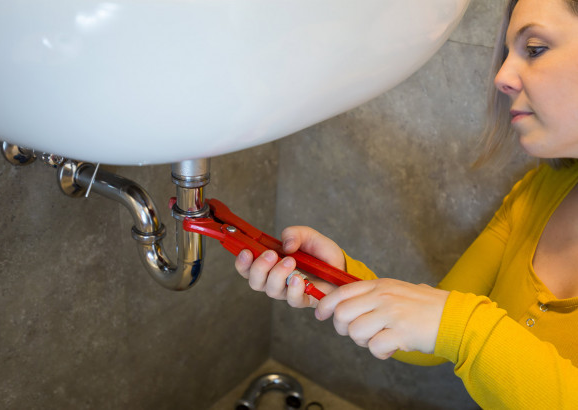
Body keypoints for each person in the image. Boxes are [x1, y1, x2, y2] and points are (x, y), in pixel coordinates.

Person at [234, 0, 578, 407]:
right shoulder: (538, 191)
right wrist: (336, 278)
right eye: (507, 54)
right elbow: (429, 341)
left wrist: (466, 328)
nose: (501, 76)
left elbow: (454, 327)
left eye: (535, 48)